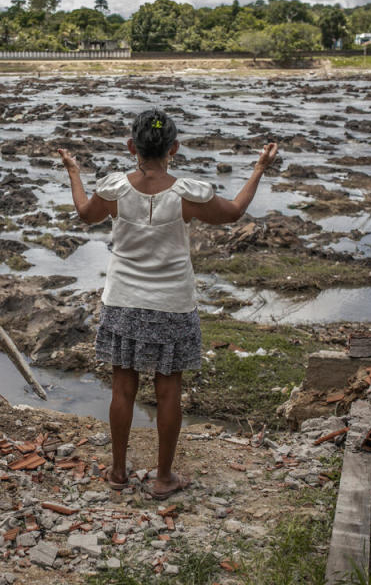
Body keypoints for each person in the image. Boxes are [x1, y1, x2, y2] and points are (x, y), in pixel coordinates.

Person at [58, 108, 278, 499]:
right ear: (174, 148)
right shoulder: (187, 195)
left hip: (123, 300)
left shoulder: (114, 190)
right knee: (168, 391)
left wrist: (74, 171)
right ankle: (163, 478)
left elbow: (84, 213)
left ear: (131, 148)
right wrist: (259, 168)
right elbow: (235, 212)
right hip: (173, 304)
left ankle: (118, 472)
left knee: (122, 388)